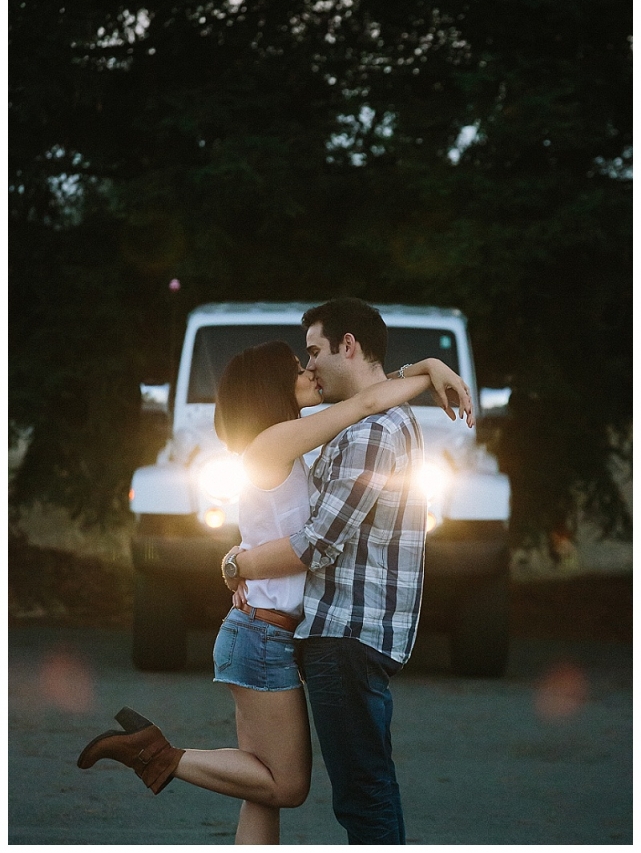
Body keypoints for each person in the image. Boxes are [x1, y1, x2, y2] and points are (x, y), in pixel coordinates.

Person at [77, 303, 474, 845]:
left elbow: (369, 401)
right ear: (272, 386)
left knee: (261, 788)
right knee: (286, 786)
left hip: (264, 630)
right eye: (299, 365)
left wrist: (428, 366)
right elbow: (367, 403)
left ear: (349, 345)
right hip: (263, 632)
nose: (309, 371)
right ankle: (156, 753)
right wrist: (234, 562)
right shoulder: (272, 443)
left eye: (311, 355)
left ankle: (158, 753)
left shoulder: (290, 440)